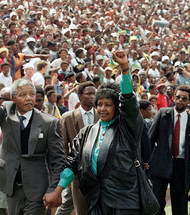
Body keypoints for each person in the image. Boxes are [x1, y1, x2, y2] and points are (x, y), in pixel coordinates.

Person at [45, 51, 143, 214]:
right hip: (95, 199)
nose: (103, 109)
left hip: (124, 200)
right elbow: (72, 163)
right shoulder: (87, 133)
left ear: (116, 107)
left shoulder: (126, 128)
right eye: (100, 104)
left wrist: (125, 68)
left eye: (108, 105)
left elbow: (128, 100)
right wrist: (57, 190)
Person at [0, 64, 66, 214]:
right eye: (23, 95)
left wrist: (53, 188)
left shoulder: (49, 123)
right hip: (10, 185)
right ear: (14, 98)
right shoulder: (5, 113)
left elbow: (58, 159)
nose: (28, 98)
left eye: (31, 94)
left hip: (37, 188)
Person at [149, 85, 190, 215]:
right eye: (177, 97)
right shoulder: (163, 114)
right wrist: (147, 164)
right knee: (156, 205)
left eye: (184, 98)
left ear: (189, 101)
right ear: (173, 97)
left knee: (180, 207)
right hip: (160, 165)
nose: (179, 100)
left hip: (181, 167)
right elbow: (149, 140)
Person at [56, 81, 98, 215]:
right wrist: (67, 171)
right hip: (78, 173)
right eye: (88, 94)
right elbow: (63, 147)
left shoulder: (102, 115)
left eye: (94, 93)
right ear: (80, 96)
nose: (92, 96)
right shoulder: (68, 117)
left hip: (100, 172)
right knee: (81, 209)